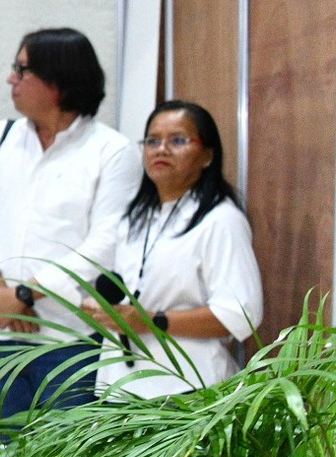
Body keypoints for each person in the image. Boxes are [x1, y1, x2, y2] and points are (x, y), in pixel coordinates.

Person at [0, 28, 141, 422]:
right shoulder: (0, 138)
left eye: (21, 70)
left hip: (71, 338)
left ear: (57, 83)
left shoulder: (111, 151)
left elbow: (106, 243)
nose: (11, 79)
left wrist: (26, 294)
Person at [83, 101, 262, 397]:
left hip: (188, 393)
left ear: (207, 155)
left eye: (177, 140)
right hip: (121, 389)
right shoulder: (135, 219)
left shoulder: (220, 220)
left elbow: (241, 314)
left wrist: (154, 321)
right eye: (152, 141)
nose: (161, 149)